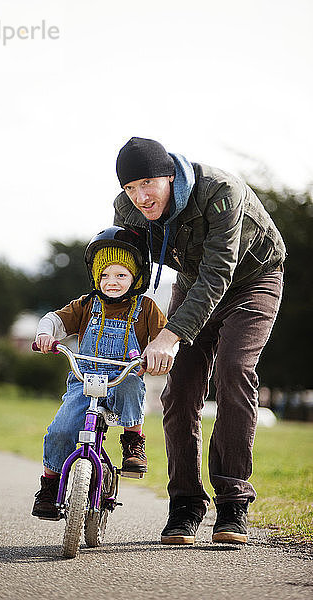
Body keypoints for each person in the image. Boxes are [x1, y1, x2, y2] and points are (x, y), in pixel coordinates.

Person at [113, 137, 286, 544]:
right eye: (130, 188)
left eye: (148, 183)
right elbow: (126, 272)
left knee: (234, 369)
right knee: (179, 390)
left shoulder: (221, 193)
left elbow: (218, 272)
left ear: (170, 175)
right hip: (193, 285)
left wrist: (171, 336)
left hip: (251, 281)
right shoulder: (127, 210)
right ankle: (186, 504)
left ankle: (233, 503)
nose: (140, 196)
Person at [31, 226, 167, 520]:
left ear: (135, 277)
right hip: (84, 379)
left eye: (120, 275)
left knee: (132, 385)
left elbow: (165, 339)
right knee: (61, 429)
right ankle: (50, 486)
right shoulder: (86, 305)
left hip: (122, 377)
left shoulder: (146, 308)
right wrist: (45, 334)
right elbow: (53, 320)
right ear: (96, 277)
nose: (112, 282)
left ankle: (133, 441)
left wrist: (159, 355)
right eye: (105, 275)